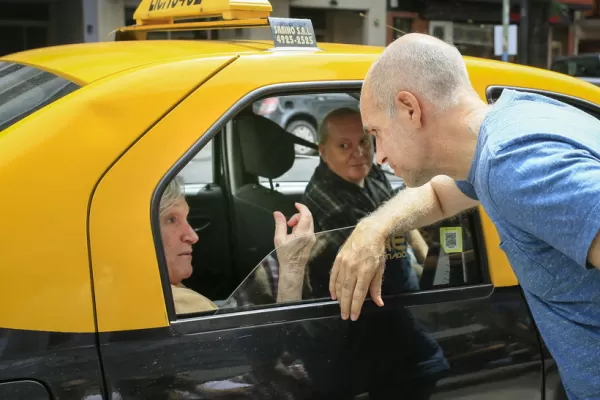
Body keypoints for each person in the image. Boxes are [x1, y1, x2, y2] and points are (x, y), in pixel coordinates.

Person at [329, 32, 600, 400]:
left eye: (376, 132)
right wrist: (374, 226)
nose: (378, 156)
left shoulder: (513, 164)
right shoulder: (506, 125)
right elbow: (440, 195)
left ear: (410, 108)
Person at [302, 107, 428, 296]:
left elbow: (397, 213)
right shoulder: (332, 203)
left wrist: (425, 258)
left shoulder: (369, 172)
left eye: (363, 141)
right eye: (344, 146)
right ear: (323, 152)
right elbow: (389, 268)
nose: (359, 153)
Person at [159, 176, 315, 315]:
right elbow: (283, 346)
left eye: (187, 219)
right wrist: (292, 267)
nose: (193, 236)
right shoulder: (181, 305)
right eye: (171, 220)